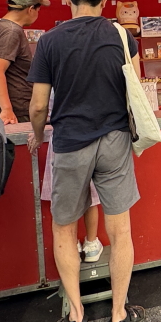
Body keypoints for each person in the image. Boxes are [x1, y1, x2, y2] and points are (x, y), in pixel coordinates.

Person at [27, 0, 145, 322]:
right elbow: (136, 88)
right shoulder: (123, 37)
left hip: (69, 142)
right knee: (119, 229)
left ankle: (77, 317)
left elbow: (37, 106)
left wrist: (35, 134)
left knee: (64, 229)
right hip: (114, 140)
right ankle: (119, 314)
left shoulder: (49, 42)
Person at [41, 93, 104, 263]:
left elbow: (40, 107)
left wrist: (37, 131)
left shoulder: (55, 73)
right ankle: (91, 244)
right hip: (91, 136)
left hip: (63, 140)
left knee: (68, 196)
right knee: (90, 196)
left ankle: (71, 244)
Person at [0, 0, 49, 124]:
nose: (38, 14)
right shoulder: (12, 31)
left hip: (9, 107)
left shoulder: (0, 25)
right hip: (16, 111)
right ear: (30, 9)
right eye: (38, 10)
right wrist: (7, 109)